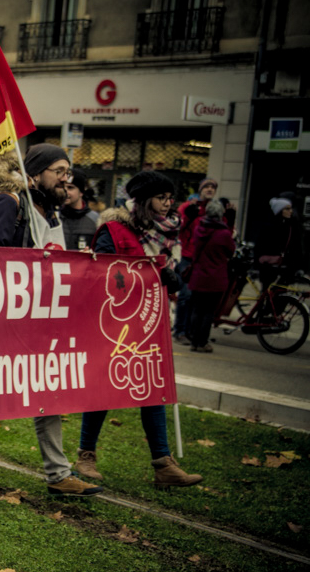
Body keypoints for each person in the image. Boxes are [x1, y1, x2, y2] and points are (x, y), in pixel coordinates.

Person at [0, 147, 100, 499]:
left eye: (68, 171)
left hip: (36, 321)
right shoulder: (9, 203)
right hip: (0, 320)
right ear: (34, 173)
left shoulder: (46, 209)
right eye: (59, 171)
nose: (66, 178)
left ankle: (58, 473)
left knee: (48, 391)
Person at [76, 172, 203, 489]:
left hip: (148, 326)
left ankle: (163, 464)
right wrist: (149, 276)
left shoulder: (165, 233)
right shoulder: (114, 230)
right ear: (145, 200)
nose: (168, 203)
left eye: (171, 198)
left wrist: (171, 278)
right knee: (102, 389)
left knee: (152, 389)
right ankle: (85, 455)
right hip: (113, 325)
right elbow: (100, 273)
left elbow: (169, 273)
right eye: (162, 197)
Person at [173, 178, 218, 343]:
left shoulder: (213, 209)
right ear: (200, 189)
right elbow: (176, 227)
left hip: (203, 259)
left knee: (196, 298)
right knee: (185, 295)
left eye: (213, 187)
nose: (210, 189)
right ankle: (180, 331)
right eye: (207, 186)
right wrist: (188, 218)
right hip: (186, 255)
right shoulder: (188, 207)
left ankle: (191, 330)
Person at [187, 200, 233, 353]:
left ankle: (193, 341)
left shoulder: (199, 229)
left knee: (196, 310)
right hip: (216, 277)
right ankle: (202, 342)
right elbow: (231, 251)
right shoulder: (224, 233)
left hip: (198, 275)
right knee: (208, 312)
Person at [255, 197, 303, 287]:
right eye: (287, 209)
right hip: (269, 267)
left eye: (290, 208)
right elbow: (260, 246)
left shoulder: (291, 226)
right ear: (280, 210)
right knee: (268, 292)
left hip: (285, 266)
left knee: (281, 292)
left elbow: (296, 246)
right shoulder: (269, 226)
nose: (291, 211)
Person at [60, 169, 99, 250]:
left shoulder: (95, 219)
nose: (65, 191)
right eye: (63, 187)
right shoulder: (54, 217)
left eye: (70, 188)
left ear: (81, 192)